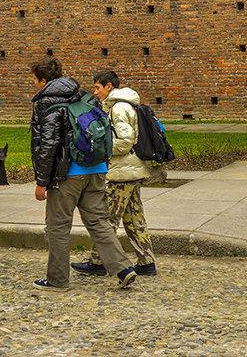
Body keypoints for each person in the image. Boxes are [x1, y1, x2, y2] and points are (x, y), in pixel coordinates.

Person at [29, 56, 137, 291]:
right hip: (96, 168)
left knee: (58, 226)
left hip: (67, 174)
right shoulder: (85, 95)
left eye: (36, 80)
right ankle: (123, 268)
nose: (35, 85)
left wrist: (42, 181)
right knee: (99, 222)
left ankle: (57, 280)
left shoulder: (46, 103)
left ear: (44, 80)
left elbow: (47, 145)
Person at [71, 70, 156, 278]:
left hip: (122, 173)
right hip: (132, 170)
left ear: (109, 86)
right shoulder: (125, 104)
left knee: (107, 217)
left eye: (98, 87)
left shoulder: (118, 108)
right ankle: (146, 261)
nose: (95, 91)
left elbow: (126, 140)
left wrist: (102, 146)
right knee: (134, 218)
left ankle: (98, 261)